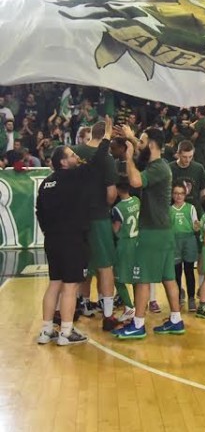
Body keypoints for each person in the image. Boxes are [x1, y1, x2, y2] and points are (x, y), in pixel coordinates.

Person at [36, 120, 113, 346]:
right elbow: (99, 160)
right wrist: (106, 135)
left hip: (52, 240)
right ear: (63, 162)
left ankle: (46, 330)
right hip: (72, 240)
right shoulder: (76, 176)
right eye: (71, 155)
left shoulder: (46, 183)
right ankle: (66, 333)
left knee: (54, 284)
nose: (75, 157)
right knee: (70, 287)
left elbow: (39, 212)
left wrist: (49, 231)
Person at [114, 126, 185, 339]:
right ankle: (176, 320)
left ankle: (138, 324)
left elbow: (135, 181)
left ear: (152, 144)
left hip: (152, 232)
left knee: (142, 279)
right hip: (163, 231)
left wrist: (128, 157)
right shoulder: (158, 164)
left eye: (143, 142)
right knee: (168, 278)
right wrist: (131, 138)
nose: (139, 146)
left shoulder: (158, 168)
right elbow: (143, 152)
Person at [72, 120, 118, 331]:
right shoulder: (106, 158)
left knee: (80, 263)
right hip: (98, 215)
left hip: (77, 216)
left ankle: (80, 303)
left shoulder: (73, 152)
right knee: (105, 265)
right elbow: (111, 194)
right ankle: (108, 315)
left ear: (90, 133)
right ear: (106, 135)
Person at [111, 181, 139, 324]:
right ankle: (139, 307)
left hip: (125, 244)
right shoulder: (136, 200)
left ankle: (129, 308)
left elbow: (116, 229)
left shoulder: (118, 208)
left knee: (117, 277)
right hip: (138, 242)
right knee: (136, 276)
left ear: (118, 190)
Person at [170, 182, 199, 312]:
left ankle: (191, 298)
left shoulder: (191, 208)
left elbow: (195, 225)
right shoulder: (169, 209)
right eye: (176, 193)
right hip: (174, 241)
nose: (178, 196)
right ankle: (178, 297)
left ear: (185, 195)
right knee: (176, 272)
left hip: (189, 240)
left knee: (189, 270)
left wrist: (198, 225)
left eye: (181, 193)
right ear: (172, 195)